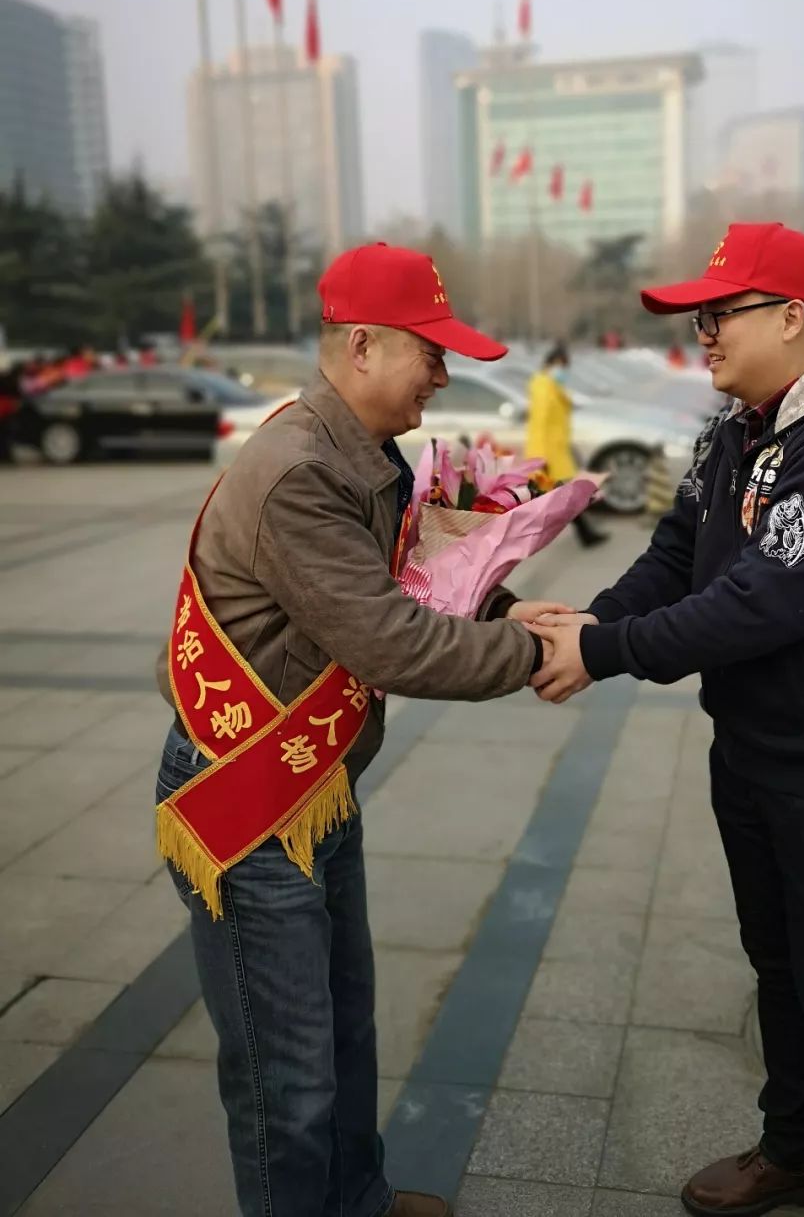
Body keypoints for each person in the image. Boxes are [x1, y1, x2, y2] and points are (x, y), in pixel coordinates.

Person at [153, 244, 569, 1217]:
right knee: (283, 1074)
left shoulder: (361, 449)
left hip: (312, 784)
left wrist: (504, 609)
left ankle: (360, 1200)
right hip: (250, 803)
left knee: (343, 1025)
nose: (444, 373)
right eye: (432, 352)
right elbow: (393, 642)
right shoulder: (300, 470)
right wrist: (539, 655)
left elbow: (404, 581)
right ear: (366, 345)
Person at [531, 222, 804, 1217]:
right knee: (777, 966)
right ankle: (797, 1150)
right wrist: (595, 617)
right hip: (749, 751)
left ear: (792, 316)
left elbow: (761, 601)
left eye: (718, 313)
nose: (701, 333)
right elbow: (676, 551)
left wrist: (605, 654)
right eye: (695, 316)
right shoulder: (738, 424)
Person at [525, 343, 608, 548]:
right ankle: (585, 535)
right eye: (560, 365)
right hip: (548, 454)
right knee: (562, 499)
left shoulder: (552, 386)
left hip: (557, 450)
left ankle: (585, 535)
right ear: (550, 364)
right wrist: (540, 457)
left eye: (564, 366)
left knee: (558, 499)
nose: (562, 370)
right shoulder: (544, 387)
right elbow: (540, 423)